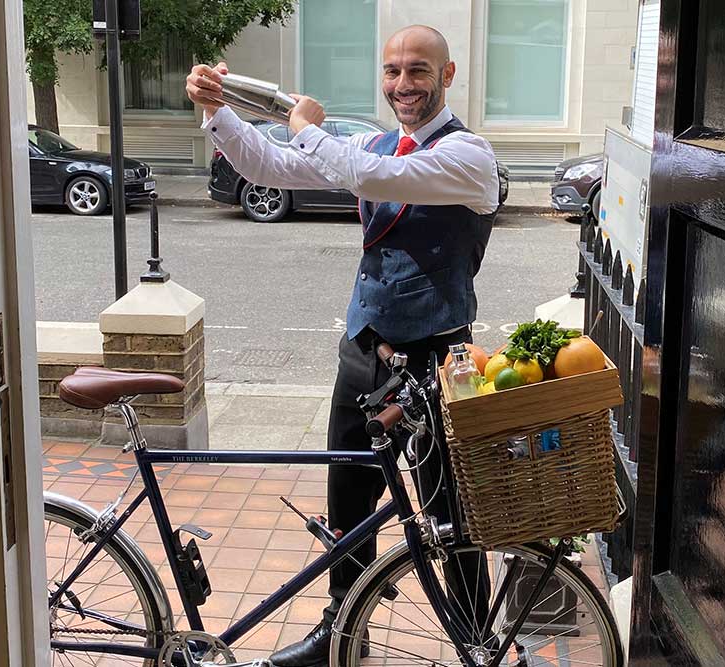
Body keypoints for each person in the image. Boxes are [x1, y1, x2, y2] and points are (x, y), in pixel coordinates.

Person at [186, 24, 499, 667]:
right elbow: (270, 165)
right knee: (348, 497)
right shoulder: (376, 140)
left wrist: (307, 125)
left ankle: (475, 640)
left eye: (418, 71)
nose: (402, 84)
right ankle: (338, 630)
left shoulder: (469, 155)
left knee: (449, 509)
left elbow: (371, 177)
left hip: (438, 359)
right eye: (392, 71)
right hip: (365, 349)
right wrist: (219, 111)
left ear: (448, 75)